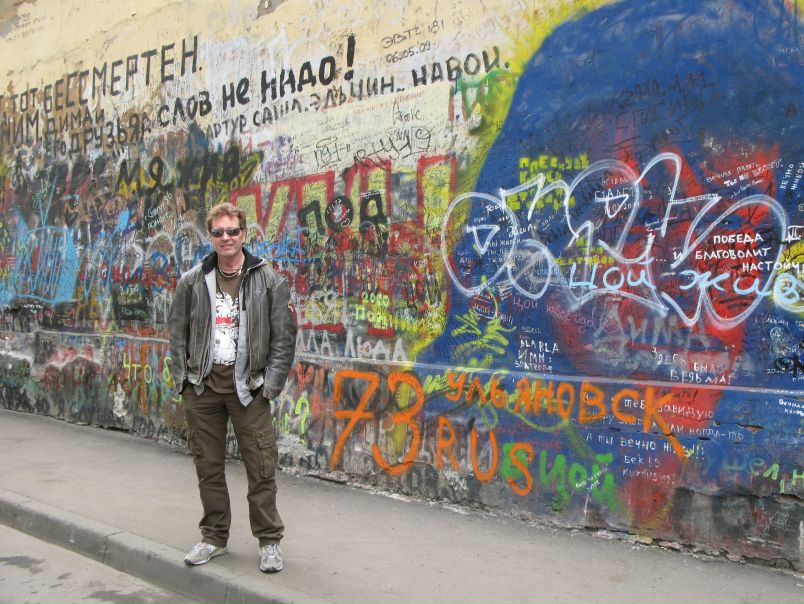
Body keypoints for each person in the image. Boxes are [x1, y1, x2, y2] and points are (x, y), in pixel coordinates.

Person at [167, 202, 297, 573]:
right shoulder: (192, 281)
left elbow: (284, 338)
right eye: (219, 232)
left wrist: (270, 386)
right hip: (202, 390)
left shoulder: (268, 280)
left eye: (233, 231)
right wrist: (183, 382)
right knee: (208, 467)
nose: (226, 237)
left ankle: (269, 540)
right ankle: (214, 537)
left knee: (261, 467)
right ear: (210, 236)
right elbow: (177, 334)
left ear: (244, 234)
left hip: (249, 390)